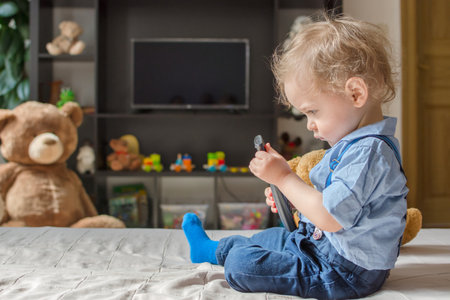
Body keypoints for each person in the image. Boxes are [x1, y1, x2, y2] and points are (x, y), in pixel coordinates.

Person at [182, 14, 407, 300]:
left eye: (313, 111)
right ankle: (210, 250)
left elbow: (330, 216)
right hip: (321, 246)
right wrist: (290, 196)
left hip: (344, 270)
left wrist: (285, 178)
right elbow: (335, 203)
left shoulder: (368, 153)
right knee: (270, 238)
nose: (310, 124)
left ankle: (230, 256)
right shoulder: (355, 146)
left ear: (355, 93)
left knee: (242, 266)